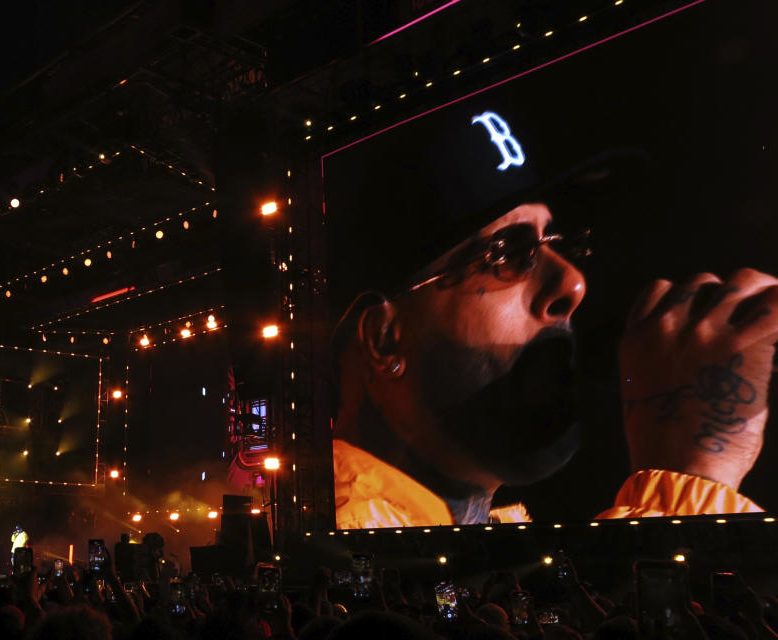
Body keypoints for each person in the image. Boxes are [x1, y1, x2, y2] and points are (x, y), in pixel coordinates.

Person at [328, 105, 778, 528]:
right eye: (507, 253)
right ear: (385, 338)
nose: (573, 283)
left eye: (558, 244)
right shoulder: (342, 541)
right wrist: (692, 476)